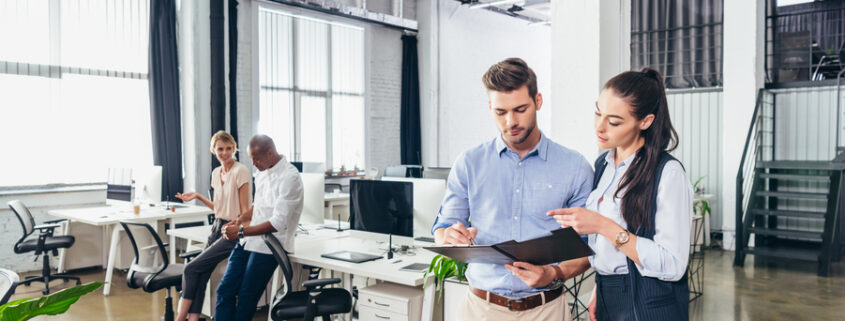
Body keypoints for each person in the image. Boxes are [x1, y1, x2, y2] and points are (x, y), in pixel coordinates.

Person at [432, 57, 594, 321]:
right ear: (490, 107)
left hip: (546, 310)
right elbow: (443, 227)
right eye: (500, 112)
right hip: (479, 309)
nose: (510, 121)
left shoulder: (575, 167)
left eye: (520, 109)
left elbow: (588, 247)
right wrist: (448, 236)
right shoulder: (469, 163)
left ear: (538, 101)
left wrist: (554, 273)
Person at [547, 68, 693, 321]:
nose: (600, 127)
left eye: (614, 121)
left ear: (645, 121)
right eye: (597, 113)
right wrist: (599, 288)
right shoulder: (604, 164)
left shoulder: (668, 173)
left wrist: (603, 226)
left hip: (650, 302)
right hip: (608, 292)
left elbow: (673, 264)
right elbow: (608, 253)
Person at [214, 134, 304, 321]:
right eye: (251, 159)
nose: (253, 164)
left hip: (271, 244)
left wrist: (239, 231)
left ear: (270, 153)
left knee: (247, 297)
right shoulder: (262, 172)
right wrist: (240, 220)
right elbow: (259, 207)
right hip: (249, 240)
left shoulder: (290, 177)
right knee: (225, 288)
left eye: (256, 158)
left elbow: (277, 223)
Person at [174, 130, 251, 321]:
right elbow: (219, 207)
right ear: (213, 150)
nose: (224, 152)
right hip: (217, 227)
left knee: (190, 268)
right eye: (220, 149)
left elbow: (245, 210)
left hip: (232, 230)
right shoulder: (216, 173)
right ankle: (192, 319)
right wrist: (199, 196)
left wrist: (236, 226)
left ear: (234, 148)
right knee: (200, 274)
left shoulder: (240, 171)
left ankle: (180, 318)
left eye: (228, 148)